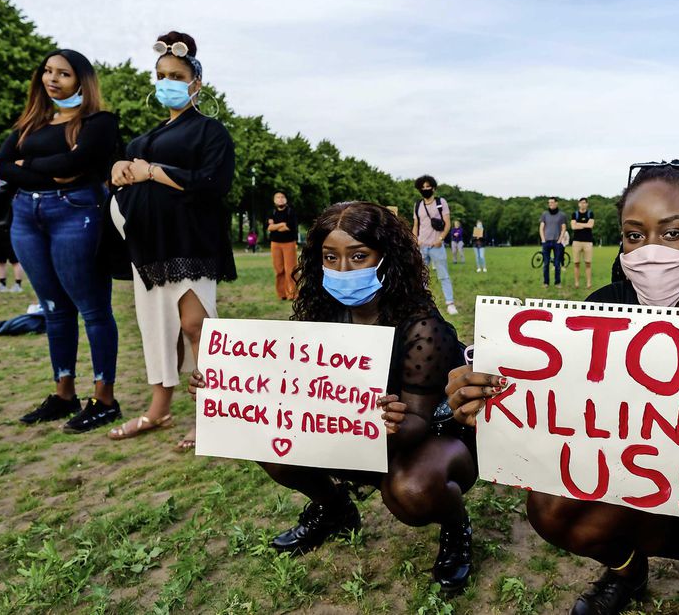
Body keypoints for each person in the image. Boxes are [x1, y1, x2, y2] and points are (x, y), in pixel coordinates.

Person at [445, 161, 679, 614]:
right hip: (633, 486)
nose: (652, 251)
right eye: (635, 235)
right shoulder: (602, 309)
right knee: (551, 507)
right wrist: (494, 405)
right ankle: (628, 569)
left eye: (672, 234)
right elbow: (567, 418)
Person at [189, 202, 478, 590]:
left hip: (430, 437)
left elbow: (418, 422)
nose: (342, 270)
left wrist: (388, 421)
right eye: (330, 257)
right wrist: (225, 386)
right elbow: (289, 385)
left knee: (412, 491)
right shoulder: (321, 314)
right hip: (351, 434)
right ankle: (334, 509)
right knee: (267, 439)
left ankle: (456, 527)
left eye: (358, 256)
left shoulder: (423, 327)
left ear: (386, 257)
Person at [105, 31, 236, 449]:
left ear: (195, 83)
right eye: (161, 74)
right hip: (147, 246)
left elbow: (213, 183)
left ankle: (211, 413)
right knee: (157, 329)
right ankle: (158, 411)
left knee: (197, 326)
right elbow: (125, 185)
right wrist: (119, 173)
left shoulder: (210, 131)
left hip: (190, 241)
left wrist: (152, 171)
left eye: (176, 75)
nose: (167, 82)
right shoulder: (140, 140)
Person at [0, 48, 122, 431]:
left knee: (93, 309)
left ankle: (104, 399)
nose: (52, 79)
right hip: (25, 219)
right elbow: (1, 168)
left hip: (76, 213)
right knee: (53, 308)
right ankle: (64, 393)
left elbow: (76, 165)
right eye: (47, 72)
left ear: (81, 81)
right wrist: (45, 172)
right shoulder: (31, 122)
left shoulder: (99, 122)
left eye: (62, 74)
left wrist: (26, 166)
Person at [411, 175, 458, 315]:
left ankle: (450, 303)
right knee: (420, 276)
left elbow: (447, 223)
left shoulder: (440, 202)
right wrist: (415, 240)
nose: (426, 189)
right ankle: (421, 304)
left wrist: (441, 238)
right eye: (423, 187)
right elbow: (416, 225)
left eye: (428, 186)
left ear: (433, 188)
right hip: (422, 245)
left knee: (443, 275)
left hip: (436, 245)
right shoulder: (418, 205)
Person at [267, 191, 298, 300]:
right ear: (274, 200)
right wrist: (281, 224)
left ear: (286, 199)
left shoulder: (290, 212)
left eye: (282, 197)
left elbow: (289, 227)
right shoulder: (272, 212)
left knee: (290, 269)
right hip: (275, 244)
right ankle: (282, 294)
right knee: (279, 270)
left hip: (289, 243)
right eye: (277, 197)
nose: (280, 199)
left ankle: (292, 294)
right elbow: (269, 228)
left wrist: (275, 226)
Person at [539, 196, 567, 287]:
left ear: (556, 203)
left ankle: (557, 282)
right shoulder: (545, 214)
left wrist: (560, 240)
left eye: (552, 202)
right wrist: (543, 239)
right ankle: (546, 282)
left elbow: (563, 228)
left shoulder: (561, 215)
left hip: (557, 242)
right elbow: (541, 227)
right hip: (546, 242)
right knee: (546, 263)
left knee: (557, 263)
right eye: (549, 203)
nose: (550, 204)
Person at [571, 197, 595, 288]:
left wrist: (579, 224)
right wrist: (585, 225)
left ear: (587, 204)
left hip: (588, 242)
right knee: (576, 263)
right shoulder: (575, 214)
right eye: (581, 203)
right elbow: (573, 227)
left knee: (588, 263)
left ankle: (589, 283)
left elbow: (591, 225)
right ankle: (576, 283)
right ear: (578, 204)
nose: (583, 204)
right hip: (576, 242)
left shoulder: (590, 213)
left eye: (584, 203)